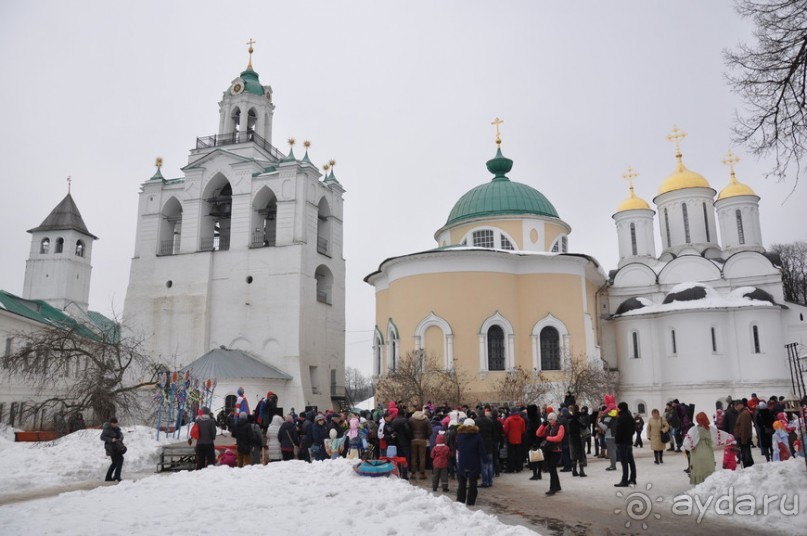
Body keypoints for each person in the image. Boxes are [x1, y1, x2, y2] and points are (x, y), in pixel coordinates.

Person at [682, 412, 733, 484]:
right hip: (708, 450)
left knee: (698, 466)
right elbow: (721, 435)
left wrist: (686, 448)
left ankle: (699, 481)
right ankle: (709, 481)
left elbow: (687, 443)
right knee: (708, 465)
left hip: (697, 451)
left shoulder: (694, 429)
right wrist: (730, 437)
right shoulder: (711, 429)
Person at [455, 418, 485, 506]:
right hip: (474, 462)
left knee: (462, 482)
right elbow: (481, 450)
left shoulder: (459, 436)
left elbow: (457, 447)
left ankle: (461, 500)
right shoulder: (477, 436)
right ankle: (471, 501)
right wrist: (485, 459)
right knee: (473, 483)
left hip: (462, 461)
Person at [536, 412, 564, 496]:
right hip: (549, 450)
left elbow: (559, 438)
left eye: (551, 419)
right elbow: (538, 433)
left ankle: (552, 488)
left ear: (555, 419)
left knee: (552, 468)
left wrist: (548, 438)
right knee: (552, 469)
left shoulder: (560, 426)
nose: (549, 421)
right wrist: (542, 425)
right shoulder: (548, 427)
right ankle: (557, 486)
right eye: (548, 419)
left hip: (557, 450)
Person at [614, 401, 636, 487]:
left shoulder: (621, 418)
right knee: (631, 461)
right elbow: (633, 430)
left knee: (624, 462)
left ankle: (624, 480)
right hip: (629, 441)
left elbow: (619, 431)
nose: (617, 410)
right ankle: (633, 478)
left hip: (622, 442)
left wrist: (617, 441)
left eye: (618, 408)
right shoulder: (630, 417)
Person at [409, 409, 432, 479]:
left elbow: (408, 429)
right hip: (423, 440)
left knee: (413, 457)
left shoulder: (411, 419)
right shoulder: (426, 419)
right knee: (422, 457)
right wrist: (426, 436)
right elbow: (430, 430)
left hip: (413, 439)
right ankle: (422, 474)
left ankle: (413, 473)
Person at [100, 417, 125, 482]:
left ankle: (108, 477)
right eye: (115, 423)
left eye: (117, 423)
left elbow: (120, 434)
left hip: (117, 446)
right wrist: (111, 440)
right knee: (120, 459)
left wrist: (121, 437)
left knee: (115, 462)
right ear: (111, 423)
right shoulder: (107, 428)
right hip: (111, 447)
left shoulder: (116, 428)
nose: (116, 424)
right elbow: (102, 437)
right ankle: (117, 476)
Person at [567, 405, 587, 477]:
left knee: (573, 454)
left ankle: (574, 471)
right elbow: (584, 427)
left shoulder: (569, 419)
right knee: (580, 454)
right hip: (578, 438)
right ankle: (581, 471)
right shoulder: (577, 420)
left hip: (571, 438)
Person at [503, 408, 525, 473]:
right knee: (518, 453)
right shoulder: (522, 420)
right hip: (519, 438)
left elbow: (505, 430)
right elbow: (523, 430)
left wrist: (506, 435)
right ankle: (518, 467)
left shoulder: (508, 420)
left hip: (510, 439)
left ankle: (511, 468)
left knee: (511, 454)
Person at [734, 401, 755, 468]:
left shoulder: (744, 414)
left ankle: (748, 466)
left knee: (746, 454)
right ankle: (748, 466)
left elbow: (744, 427)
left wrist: (743, 439)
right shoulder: (742, 413)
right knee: (745, 453)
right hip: (742, 437)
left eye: (736, 406)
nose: (736, 408)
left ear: (740, 405)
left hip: (744, 438)